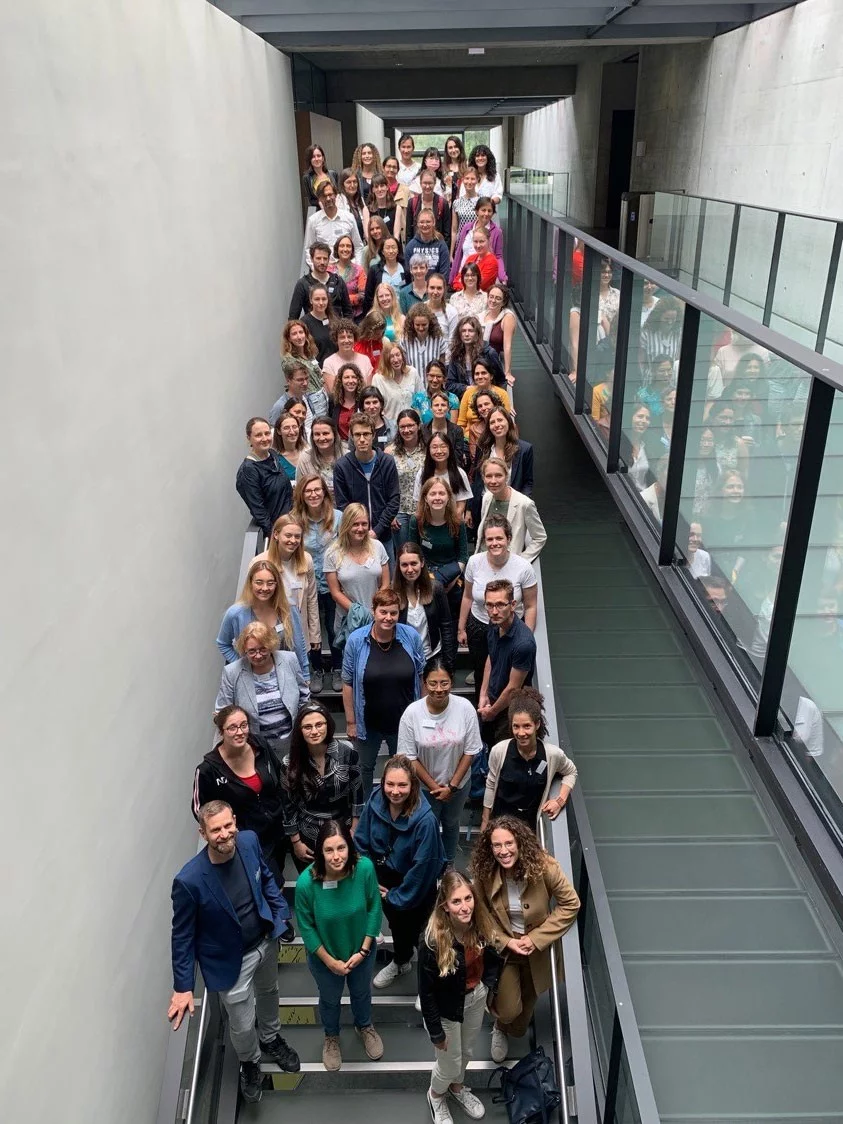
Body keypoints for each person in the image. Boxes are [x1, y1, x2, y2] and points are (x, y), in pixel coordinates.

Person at [168, 801, 299, 1105]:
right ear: (203, 833)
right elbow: (182, 936)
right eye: (216, 830)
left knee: (269, 992)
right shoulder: (189, 881)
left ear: (235, 822)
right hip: (231, 962)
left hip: (265, 941)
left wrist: (280, 915)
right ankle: (250, 1061)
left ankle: (271, 1038)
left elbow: (265, 877)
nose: (225, 834)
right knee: (240, 1023)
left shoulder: (249, 841)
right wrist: (183, 987)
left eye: (228, 826)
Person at [470, 816, 580, 1061]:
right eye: (496, 845)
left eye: (509, 843)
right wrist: (504, 941)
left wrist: (536, 938)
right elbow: (481, 914)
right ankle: (500, 1027)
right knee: (508, 1011)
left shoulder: (545, 866)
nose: (503, 851)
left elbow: (571, 903)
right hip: (506, 950)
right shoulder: (485, 873)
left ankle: (512, 1030)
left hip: (536, 951)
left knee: (522, 1020)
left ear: (519, 842)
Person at [295, 819, 384, 1071]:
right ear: (320, 851)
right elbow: (307, 927)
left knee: (361, 992)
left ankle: (364, 1026)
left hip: (361, 953)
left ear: (350, 847)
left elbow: (374, 908)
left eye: (341, 848)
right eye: (329, 850)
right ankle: (331, 1036)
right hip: (326, 959)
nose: (336, 856)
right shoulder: (306, 883)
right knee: (330, 999)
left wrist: (363, 950)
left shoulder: (364, 869)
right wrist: (329, 961)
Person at [354, 754, 446, 986]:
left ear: (412, 785)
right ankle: (401, 961)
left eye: (402, 785)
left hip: (416, 886)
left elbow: (423, 867)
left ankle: (430, 984)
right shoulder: (375, 801)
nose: (395, 791)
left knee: (425, 936)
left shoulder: (426, 821)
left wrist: (397, 896)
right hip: (383, 880)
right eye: (390, 784)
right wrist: (370, 880)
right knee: (396, 926)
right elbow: (362, 843)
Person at [419, 870, 501, 1124]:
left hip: (475, 998)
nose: (465, 907)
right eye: (456, 901)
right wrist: (436, 1033)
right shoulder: (433, 941)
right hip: (446, 1010)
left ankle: (456, 1089)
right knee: (449, 1063)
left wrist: (487, 988)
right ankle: (435, 1095)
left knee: (465, 1053)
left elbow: (492, 958)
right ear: (445, 906)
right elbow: (426, 992)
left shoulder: (480, 923)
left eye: (468, 898)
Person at [398, 658, 483, 864]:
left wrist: (451, 787)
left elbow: (470, 751)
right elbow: (409, 757)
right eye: (433, 683)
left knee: (452, 823)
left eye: (444, 683)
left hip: (458, 785)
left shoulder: (464, 708)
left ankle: (449, 864)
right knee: (427, 826)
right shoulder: (412, 713)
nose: (439, 689)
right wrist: (436, 788)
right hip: (425, 789)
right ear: (424, 683)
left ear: (451, 682)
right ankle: (428, 864)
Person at [343, 591, 426, 795]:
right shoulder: (356, 640)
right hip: (367, 723)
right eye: (383, 612)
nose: (388, 618)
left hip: (404, 723)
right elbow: (347, 683)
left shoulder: (411, 637)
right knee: (365, 768)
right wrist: (351, 721)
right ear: (373, 611)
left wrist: (424, 714)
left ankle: (403, 810)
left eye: (393, 613)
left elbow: (421, 676)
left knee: (404, 770)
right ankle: (364, 812)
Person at [193, 705, 289, 878]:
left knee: (278, 875)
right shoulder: (209, 769)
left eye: (244, 725)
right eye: (232, 727)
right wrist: (227, 832)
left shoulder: (259, 745)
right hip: (246, 838)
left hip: (277, 828)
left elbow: (279, 778)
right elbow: (200, 810)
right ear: (222, 731)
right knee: (271, 883)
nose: (240, 732)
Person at [459, 515, 537, 702]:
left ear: (508, 539)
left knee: (511, 679)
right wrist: (461, 627)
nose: (494, 543)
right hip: (479, 627)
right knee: (482, 674)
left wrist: (526, 634)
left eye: (499, 538)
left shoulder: (523, 568)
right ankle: (483, 712)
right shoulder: (474, 562)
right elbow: (467, 596)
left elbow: (531, 606)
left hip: (510, 630)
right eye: (490, 539)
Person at [481, 688, 578, 830]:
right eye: (516, 727)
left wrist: (559, 801)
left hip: (531, 826)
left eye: (527, 726)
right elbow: (490, 785)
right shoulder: (499, 751)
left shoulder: (552, 754)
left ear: (537, 724)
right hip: (501, 823)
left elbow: (571, 772)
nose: (521, 733)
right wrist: (485, 823)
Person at [280, 703, 364, 866]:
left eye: (319, 724)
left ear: (328, 725)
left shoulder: (347, 752)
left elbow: (357, 793)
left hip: (343, 829)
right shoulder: (289, 763)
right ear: (299, 730)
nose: (314, 731)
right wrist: (296, 842)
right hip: (308, 835)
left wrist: (354, 829)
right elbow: (288, 806)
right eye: (307, 727)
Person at [215, 623, 309, 752]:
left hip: (292, 741)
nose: (258, 655)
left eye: (263, 649)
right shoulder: (232, 672)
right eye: (252, 651)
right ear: (244, 650)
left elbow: (304, 695)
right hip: (254, 747)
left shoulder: (289, 659)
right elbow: (223, 713)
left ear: (271, 646)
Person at [217, 558, 310, 679]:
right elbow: (223, 643)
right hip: (250, 678)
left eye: (270, 583)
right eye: (259, 582)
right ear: (251, 583)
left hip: (285, 677)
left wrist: (305, 675)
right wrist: (242, 665)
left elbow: (299, 643)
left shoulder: (288, 608)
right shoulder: (235, 613)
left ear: (277, 585)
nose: (265, 588)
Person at [333, 412, 401, 562]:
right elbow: (343, 504)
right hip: (354, 536)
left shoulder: (387, 462)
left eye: (366, 434)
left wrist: (376, 531)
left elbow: (394, 500)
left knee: (386, 582)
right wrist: (360, 529)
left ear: (373, 434)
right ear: (351, 436)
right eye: (357, 435)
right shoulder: (342, 466)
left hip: (383, 536)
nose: (362, 439)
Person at [478, 579, 537, 744]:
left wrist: (492, 712)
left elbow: (513, 688)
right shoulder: (494, 624)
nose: (494, 611)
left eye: (500, 605)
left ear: (512, 604)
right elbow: (491, 658)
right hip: (494, 700)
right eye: (489, 605)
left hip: (511, 710)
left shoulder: (524, 643)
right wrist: (484, 694)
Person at [324, 502, 390, 640]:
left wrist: (376, 608)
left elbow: (385, 584)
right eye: (355, 524)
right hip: (348, 620)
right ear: (346, 525)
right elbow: (335, 592)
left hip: (377, 617)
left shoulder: (378, 547)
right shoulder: (332, 553)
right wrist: (360, 612)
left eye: (364, 524)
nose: (360, 528)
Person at [258, 514, 321, 658]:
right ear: (276, 534)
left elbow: (311, 598)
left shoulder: (306, 560)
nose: (293, 541)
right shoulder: (259, 562)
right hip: (270, 633)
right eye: (288, 535)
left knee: (300, 677)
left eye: (297, 536)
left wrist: (314, 634)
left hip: (298, 632)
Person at [410, 478, 469, 617]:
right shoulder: (417, 520)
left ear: (449, 497)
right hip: (425, 577)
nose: (437, 498)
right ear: (425, 497)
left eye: (441, 493)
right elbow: (412, 553)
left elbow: (463, 556)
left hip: (453, 576)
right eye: (433, 494)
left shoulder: (457, 521)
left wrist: (451, 580)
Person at [393, 542, 456, 667]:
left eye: (413, 563)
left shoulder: (436, 588)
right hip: (404, 659)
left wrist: (448, 664)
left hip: (433, 656)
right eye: (404, 565)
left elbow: (446, 627)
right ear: (398, 567)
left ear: (421, 563)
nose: (410, 569)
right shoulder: (392, 594)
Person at [475, 458, 547, 561]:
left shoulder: (524, 504)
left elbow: (540, 537)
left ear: (507, 477)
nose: (493, 481)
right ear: (483, 478)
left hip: (508, 564)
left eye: (498, 475)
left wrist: (521, 560)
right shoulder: (486, 497)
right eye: (489, 476)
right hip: (484, 561)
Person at [235, 417, 293, 540]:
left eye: (267, 433)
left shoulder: (273, 455)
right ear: (249, 438)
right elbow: (259, 510)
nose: (265, 439)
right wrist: (275, 536)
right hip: (278, 534)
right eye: (258, 435)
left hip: (292, 523)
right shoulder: (248, 470)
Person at [387, 408, 427, 548]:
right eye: (402, 427)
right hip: (399, 512)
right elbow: (384, 484)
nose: (406, 430)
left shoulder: (428, 449)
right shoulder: (390, 452)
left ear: (418, 425)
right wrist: (390, 514)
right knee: (403, 553)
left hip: (423, 510)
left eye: (410, 425)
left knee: (423, 552)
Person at [303, 180, 364, 267]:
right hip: (324, 271)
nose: (328, 198)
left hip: (348, 270)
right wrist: (316, 269)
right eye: (324, 196)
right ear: (319, 199)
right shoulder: (313, 220)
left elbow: (358, 246)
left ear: (335, 195)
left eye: (330, 194)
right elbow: (308, 249)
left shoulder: (348, 217)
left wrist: (356, 268)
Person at [413, 432, 473, 518]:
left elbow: (461, 505)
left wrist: (450, 522)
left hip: (453, 523)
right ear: (429, 450)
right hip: (429, 522)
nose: (439, 451)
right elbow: (419, 503)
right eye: (434, 447)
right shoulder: (422, 473)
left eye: (443, 446)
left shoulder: (460, 473)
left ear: (450, 449)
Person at [475, 408, 533, 495]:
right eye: (492, 422)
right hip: (485, 503)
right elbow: (477, 480)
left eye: (500, 420)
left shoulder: (525, 449)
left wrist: (520, 505)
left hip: (513, 503)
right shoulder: (482, 448)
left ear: (508, 422)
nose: (496, 425)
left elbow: (527, 483)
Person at [289, 241, 352, 320]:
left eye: (325, 258)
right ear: (312, 259)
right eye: (318, 258)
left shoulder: (338, 281)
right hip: (312, 329)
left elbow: (348, 312)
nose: (322, 262)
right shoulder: (302, 284)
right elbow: (293, 317)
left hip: (336, 329)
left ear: (329, 259)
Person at [450, 198, 507, 287]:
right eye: (483, 210)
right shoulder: (467, 228)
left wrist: (502, 276)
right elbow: (459, 253)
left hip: (483, 276)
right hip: (463, 275)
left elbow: (498, 257)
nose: (486, 214)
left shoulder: (497, 232)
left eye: (489, 211)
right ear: (477, 211)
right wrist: (452, 277)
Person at [446, 315, 505, 396]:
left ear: (477, 333)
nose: (466, 334)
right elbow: (450, 384)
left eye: (470, 331)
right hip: (465, 398)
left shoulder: (489, 353)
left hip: (488, 399)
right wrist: (467, 388)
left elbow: (501, 381)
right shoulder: (456, 355)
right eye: (463, 331)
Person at [268, 360, 330, 433]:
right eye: (300, 380)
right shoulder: (280, 406)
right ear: (288, 381)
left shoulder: (307, 397)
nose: (305, 383)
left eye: (307, 378)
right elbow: (274, 433)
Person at [457, 361, 513, 438]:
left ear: (491, 376)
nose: (480, 376)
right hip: (469, 439)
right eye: (477, 374)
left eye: (483, 373)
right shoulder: (468, 393)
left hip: (496, 437)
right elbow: (461, 423)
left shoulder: (502, 393)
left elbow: (507, 421)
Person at [374, 341, 424, 421]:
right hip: (391, 427)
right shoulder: (378, 379)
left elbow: (422, 399)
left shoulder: (412, 372)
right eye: (391, 357)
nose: (396, 360)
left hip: (412, 425)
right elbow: (376, 406)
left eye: (398, 355)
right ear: (386, 359)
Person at [322, 319, 373, 393]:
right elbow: (334, 393)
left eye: (349, 336)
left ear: (354, 338)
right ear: (336, 340)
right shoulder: (329, 362)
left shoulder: (365, 360)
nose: (346, 340)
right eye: (342, 337)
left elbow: (368, 391)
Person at [362, 237, 410, 314]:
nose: (391, 251)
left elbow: (408, 294)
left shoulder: (405, 270)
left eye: (393, 247)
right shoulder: (374, 270)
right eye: (387, 248)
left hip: (400, 314)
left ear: (398, 250)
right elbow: (368, 297)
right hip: (380, 315)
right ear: (382, 252)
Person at [481, 284, 516, 384]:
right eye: (491, 297)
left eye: (498, 298)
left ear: (503, 302)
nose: (493, 300)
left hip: (496, 364)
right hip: (480, 363)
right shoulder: (482, 315)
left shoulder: (507, 317)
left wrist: (507, 372)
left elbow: (507, 346)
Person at [406, 169, 451, 241]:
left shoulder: (443, 203)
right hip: (417, 247)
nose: (427, 186)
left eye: (430, 183)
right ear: (420, 183)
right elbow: (409, 232)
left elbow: (447, 233)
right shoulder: (412, 202)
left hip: (437, 246)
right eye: (425, 183)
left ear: (435, 183)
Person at [451, 228, 500, 293]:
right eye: (475, 241)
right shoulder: (471, 258)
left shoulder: (492, 261)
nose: (478, 245)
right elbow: (455, 282)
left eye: (482, 241)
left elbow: (478, 286)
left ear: (489, 241)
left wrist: (462, 281)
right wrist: (466, 284)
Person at [413, 359, 460, 426]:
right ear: (426, 376)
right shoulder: (418, 398)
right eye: (431, 376)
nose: (435, 380)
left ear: (444, 378)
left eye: (438, 376)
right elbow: (418, 427)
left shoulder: (452, 399)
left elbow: (453, 428)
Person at [403, 303, 448, 373]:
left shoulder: (439, 340)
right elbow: (404, 368)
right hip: (413, 383)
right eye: (417, 325)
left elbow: (442, 368)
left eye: (424, 324)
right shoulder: (405, 341)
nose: (421, 328)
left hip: (433, 382)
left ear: (430, 323)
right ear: (412, 324)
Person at [281, 318, 323, 393]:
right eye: (294, 334)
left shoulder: (309, 354)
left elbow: (319, 374)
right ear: (289, 338)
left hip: (322, 393)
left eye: (301, 332)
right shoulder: (289, 360)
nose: (299, 337)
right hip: (308, 398)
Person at [405, 208, 450, 276]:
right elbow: (408, 272)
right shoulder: (410, 246)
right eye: (422, 222)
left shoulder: (441, 245)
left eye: (428, 222)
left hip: (436, 286)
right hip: (417, 285)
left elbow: (444, 273)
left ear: (434, 223)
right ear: (417, 224)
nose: (425, 225)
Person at [363, 173, 405, 246]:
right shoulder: (366, 210)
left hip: (391, 249)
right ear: (373, 190)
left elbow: (396, 235)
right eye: (376, 187)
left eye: (382, 186)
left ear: (387, 187)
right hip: (374, 249)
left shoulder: (397, 208)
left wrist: (389, 249)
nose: (380, 189)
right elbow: (367, 236)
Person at [329, 362, 366, 443]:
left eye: (354, 377)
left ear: (358, 380)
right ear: (340, 380)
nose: (350, 380)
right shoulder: (333, 401)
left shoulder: (364, 401)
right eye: (346, 377)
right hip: (340, 446)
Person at [334, 233, 368, 321]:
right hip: (334, 318)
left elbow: (363, 295)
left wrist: (340, 299)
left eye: (348, 246)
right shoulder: (329, 270)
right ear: (337, 249)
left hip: (356, 318)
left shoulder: (359, 270)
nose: (345, 249)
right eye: (342, 246)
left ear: (352, 250)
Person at [303, 284, 338, 367]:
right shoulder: (304, 322)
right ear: (311, 300)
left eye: (324, 299)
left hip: (336, 368)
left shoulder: (334, 318)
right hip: (318, 370)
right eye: (317, 299)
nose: (321, 303)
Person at [450, 167, 481, 259]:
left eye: (472, 179)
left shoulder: (481, 202)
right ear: (463, 180)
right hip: (461, 244)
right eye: (467, 178)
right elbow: (454, 230)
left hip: (477, 243)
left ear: (477, 180)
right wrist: (451, 253)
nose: (469, 182)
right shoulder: (457, 202)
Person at [360, 385, 398, 451]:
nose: (371, 407)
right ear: (362, 406)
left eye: (375, 402)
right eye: (367, 403)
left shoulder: (393, 427)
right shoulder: (356, 428)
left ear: (381, 404)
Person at [271, 411, 306, 480]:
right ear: (278, 431)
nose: (292, 432)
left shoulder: (308, 452)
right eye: (286, 428)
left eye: (294, 427)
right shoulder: (273, 458)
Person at [427, 272, 458, 342]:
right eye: (432, 288)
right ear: (427, 288)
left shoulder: (452, 312)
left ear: (444, 290)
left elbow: (452, 342)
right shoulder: (420, 309)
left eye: (439, 288)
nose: (435, 292)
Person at [338, 167, 366, 239]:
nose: (352, 185)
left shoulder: (360, 200)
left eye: (355, 182)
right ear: (342, 184)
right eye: (349, 182)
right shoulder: (339, 200)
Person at [442, 135, 468, 202]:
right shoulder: (443, 168)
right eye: (450, 148)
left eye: (455, 147)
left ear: (460, 148)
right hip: (448, 205)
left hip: (464, 204)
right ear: (447, 150)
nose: (453, 150)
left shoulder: (468, 166)